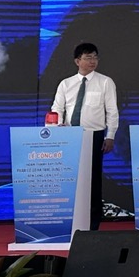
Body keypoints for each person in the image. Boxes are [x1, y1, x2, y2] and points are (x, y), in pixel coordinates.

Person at [51, 42, 118, 230]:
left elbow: (112, 111)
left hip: (94, 136)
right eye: (88, 57)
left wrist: (110, 135)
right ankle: (70, 220)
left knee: (93, 180)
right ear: (77, 61)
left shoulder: (105, 82)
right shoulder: (66, 84)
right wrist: (58, 127)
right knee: (70, 179)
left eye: (95, 57)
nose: (93, 61)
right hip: (70, 135)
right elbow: (57, 108)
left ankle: (93, 223)